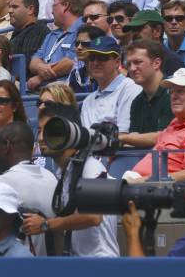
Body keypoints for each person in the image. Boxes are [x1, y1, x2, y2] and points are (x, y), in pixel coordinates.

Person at [32, 104, 120, 256]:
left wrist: (46, 224)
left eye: (49, 131)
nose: (41, 138)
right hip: (80, 264)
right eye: (39, 130)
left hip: (102, 264)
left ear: (69, 132)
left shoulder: (92, 165)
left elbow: (94, 217)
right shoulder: (65, 172)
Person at [80, 36, 143, 131]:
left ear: (117, 62)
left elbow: (124, 134)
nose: (95, 63)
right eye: (92, 58)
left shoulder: (130, 89)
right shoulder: (87, 101)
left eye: (102, 57)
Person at [29, 0, 86, 90]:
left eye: (54, 6)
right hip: (42, 89)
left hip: (65, 90)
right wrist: (40, 67)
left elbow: (72, 61)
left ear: (66, 6)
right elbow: (34, 60)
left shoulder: (83, 30)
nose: (51, 11)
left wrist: (40, 77)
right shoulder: (51, 35)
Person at [122, 39, 174, 149]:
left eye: (138, 62)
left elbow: (166, 137)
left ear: (156, 63)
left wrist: (122, 138)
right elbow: (133, 140)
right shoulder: (137, 102)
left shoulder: (174, 95)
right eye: (129, 64)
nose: (132, 68)